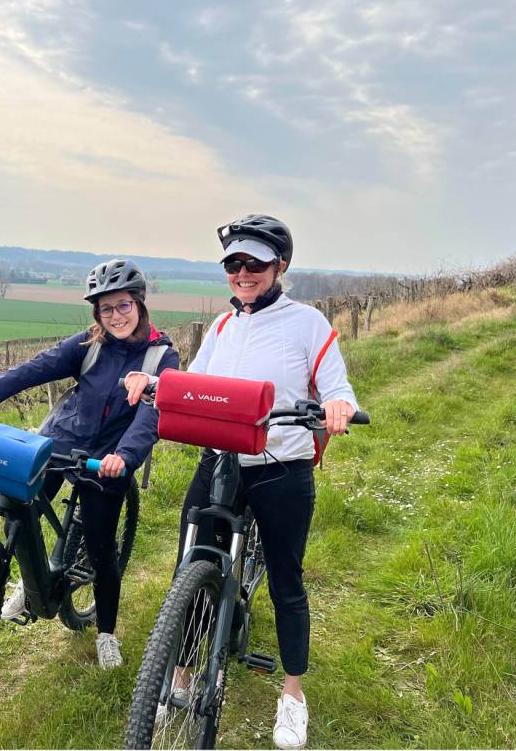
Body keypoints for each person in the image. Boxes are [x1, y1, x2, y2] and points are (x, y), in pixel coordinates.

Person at [124, 215, 359, 749]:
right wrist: (155, 383)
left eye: (255, 263)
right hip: (220, 461)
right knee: (191, 565)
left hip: (281, 467)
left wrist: (339, 405)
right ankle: (180, 675)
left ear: (280, 267)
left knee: (285, 580)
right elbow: (194, 384)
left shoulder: (308, 323)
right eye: (234, 264)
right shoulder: (223, 327)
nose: (243, 273)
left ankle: (293, 695)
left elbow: (336, 385)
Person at [0, 259, 179, 669]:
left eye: (122, 306)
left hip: (108, 461)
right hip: (61, 441)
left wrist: (125, 457)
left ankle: (106, 634)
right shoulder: (89, 344)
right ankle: (31, 581)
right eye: (105, 308)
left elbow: (153, 414)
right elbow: (33, 370)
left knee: (100, 551)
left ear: (139, 303)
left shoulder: (160, 359)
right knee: (17, 504)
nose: (115, 316)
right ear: (96, 312)